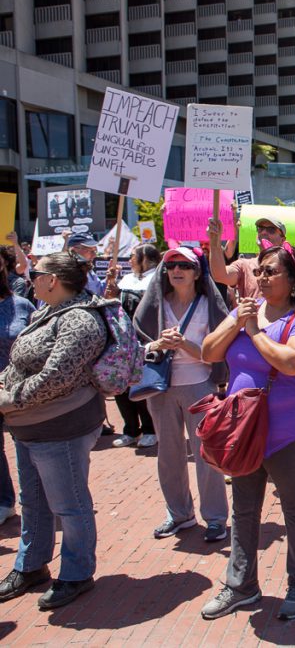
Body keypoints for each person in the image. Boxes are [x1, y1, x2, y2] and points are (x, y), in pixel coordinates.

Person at [198, 243, 295, 621]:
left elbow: (291, 362)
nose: (261, 277)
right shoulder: (245, 313)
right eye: (260, 271)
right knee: (244, 508)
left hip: (286, 430)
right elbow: (208, 352)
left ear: (293, 279)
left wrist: (253, 331)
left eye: (271, 271)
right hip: (241, 429)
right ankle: (241, 586)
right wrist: (237, 321)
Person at [0, 252, 110, 609]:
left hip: (61, 427)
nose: (29, 277)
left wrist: (10, 399)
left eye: (36, 272)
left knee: (70, 504)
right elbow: (18, 363)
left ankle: (77, 573)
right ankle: (31, 565)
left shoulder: (80, 320)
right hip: (29, 427)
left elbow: (57, 377)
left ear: (52, 279)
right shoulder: (46, 311)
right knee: (33, 502)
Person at [134, 247, 230, 542]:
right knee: (169, 454)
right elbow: (137, 347)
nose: (176, 270)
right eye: (171, 265)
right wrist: (158, 345)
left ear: (196, 272)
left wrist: (185, 344)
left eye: (184, 266)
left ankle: (215, 518)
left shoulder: (208, 305)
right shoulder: (155, 305)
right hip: (161, 388)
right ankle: (179, 514)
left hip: (200, 385)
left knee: (207, 455)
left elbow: (220, 352)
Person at [110, 244, 161, 449]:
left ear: (145, 258)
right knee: (121, 387)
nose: (130, 260)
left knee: (140, 386)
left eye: (133, 256)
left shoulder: (157, 279)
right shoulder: (126, 279)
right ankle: (131, 429)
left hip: (144, 340)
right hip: (122, 341)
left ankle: (150, 429)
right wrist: (112, 287)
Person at [0, 255, 35, 526]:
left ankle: (35, 501)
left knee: (27, 447)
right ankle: (3, 501)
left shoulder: (22, 304)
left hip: (20, 389)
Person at [207, 214, 287, 300]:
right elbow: (221, 276)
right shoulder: (244, 265)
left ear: (282, 240)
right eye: (260, 228)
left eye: (271, 230)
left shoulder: (290, 267)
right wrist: (214, 241)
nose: (263, 232)